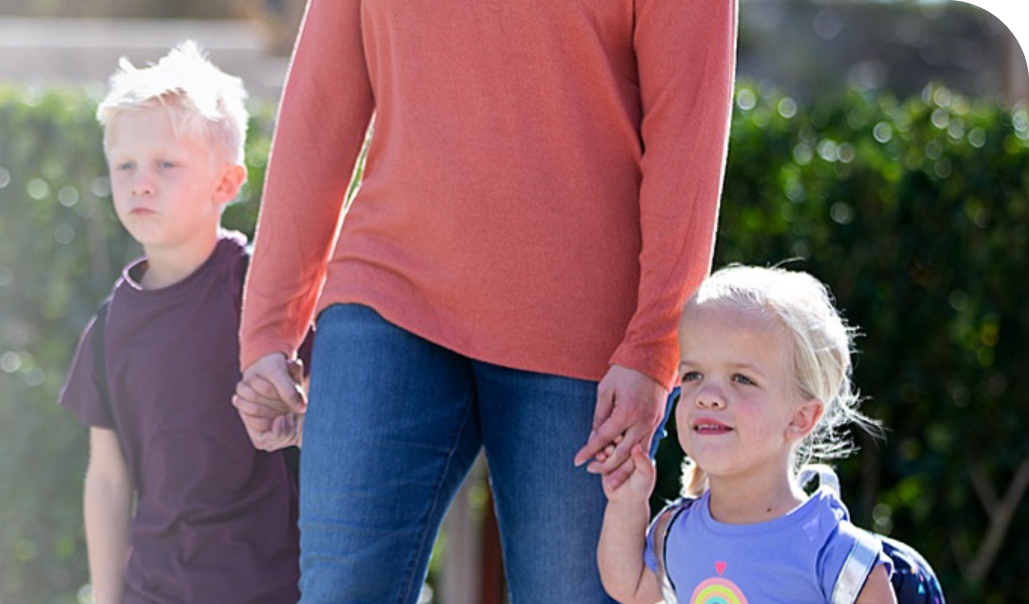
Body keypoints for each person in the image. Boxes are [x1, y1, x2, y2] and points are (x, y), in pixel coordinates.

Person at [230, 2, 737, 601]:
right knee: (341, 591)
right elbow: (320, 104)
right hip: (387, 289)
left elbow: (688, 129)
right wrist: (268, 329)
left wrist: (655, 344)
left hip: (582, 335)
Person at [57, 41, 299, 604]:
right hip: (154, 593)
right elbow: (109, 479)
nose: (141, 182)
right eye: (126, 166)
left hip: (274, 590)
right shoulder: (109, 327)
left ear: (226, 184)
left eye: (166, 164)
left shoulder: (261, 291)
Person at [596, 265, 897, 604]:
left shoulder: (835, 553)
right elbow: (630, 588)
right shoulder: (675, 532)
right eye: (693, 374)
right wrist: (628, 504)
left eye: (742, 379)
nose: (707, 395)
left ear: (801, 418)